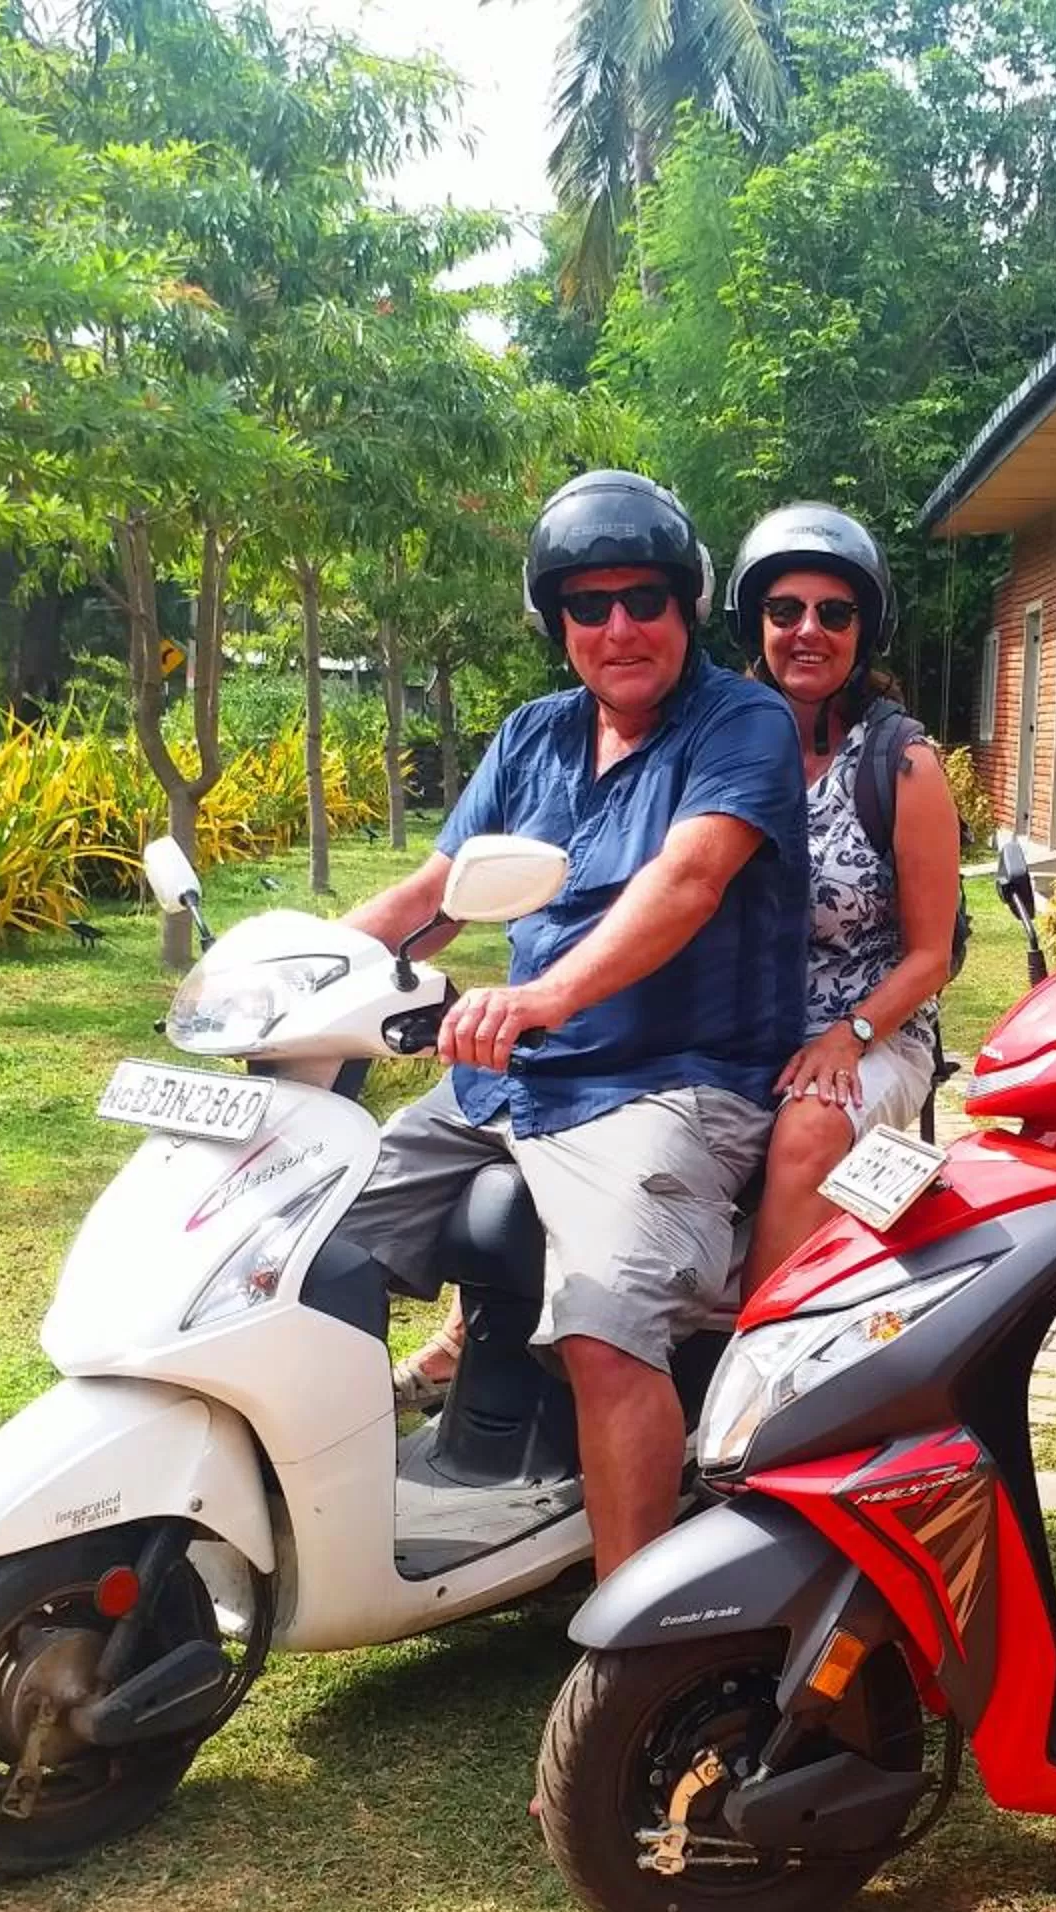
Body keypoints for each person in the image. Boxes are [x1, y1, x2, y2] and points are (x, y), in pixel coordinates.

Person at [337, 468, 805, 1578]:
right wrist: (293, 971)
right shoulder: (534, 736)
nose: (618, 626)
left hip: (668, 1082)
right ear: (558, 624)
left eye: (643, 597)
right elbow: (432, 896)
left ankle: (630, 1642)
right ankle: (331, 1519)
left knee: (605, 1325)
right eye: (587, 606)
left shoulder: (743, 724)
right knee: (313, 1241)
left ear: (685, 605)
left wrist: (545, 995)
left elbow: (686, 885)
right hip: (513, 1079)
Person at [724, 503, 966, 1290]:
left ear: (865, 631)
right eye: (784, 610)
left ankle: (747, 1378)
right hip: (742, 1020)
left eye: (835, 613)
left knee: (804, 1132)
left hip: (873, 1028)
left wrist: (849, 1034)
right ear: (755, 622)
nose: (808, 630)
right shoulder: (715, 745)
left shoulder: (902, 762)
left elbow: (933, 956)